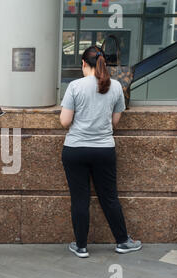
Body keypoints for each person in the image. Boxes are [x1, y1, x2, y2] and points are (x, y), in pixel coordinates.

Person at [60, 46, 142, 258]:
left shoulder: (75, 86)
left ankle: (81, 246)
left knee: (80, 199)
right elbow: (115, 122)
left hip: (75, 149)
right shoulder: (115, 86)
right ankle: (123, 241)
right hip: (104, 150)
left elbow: (65, 121)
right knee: (109, 197)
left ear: (83, 64)